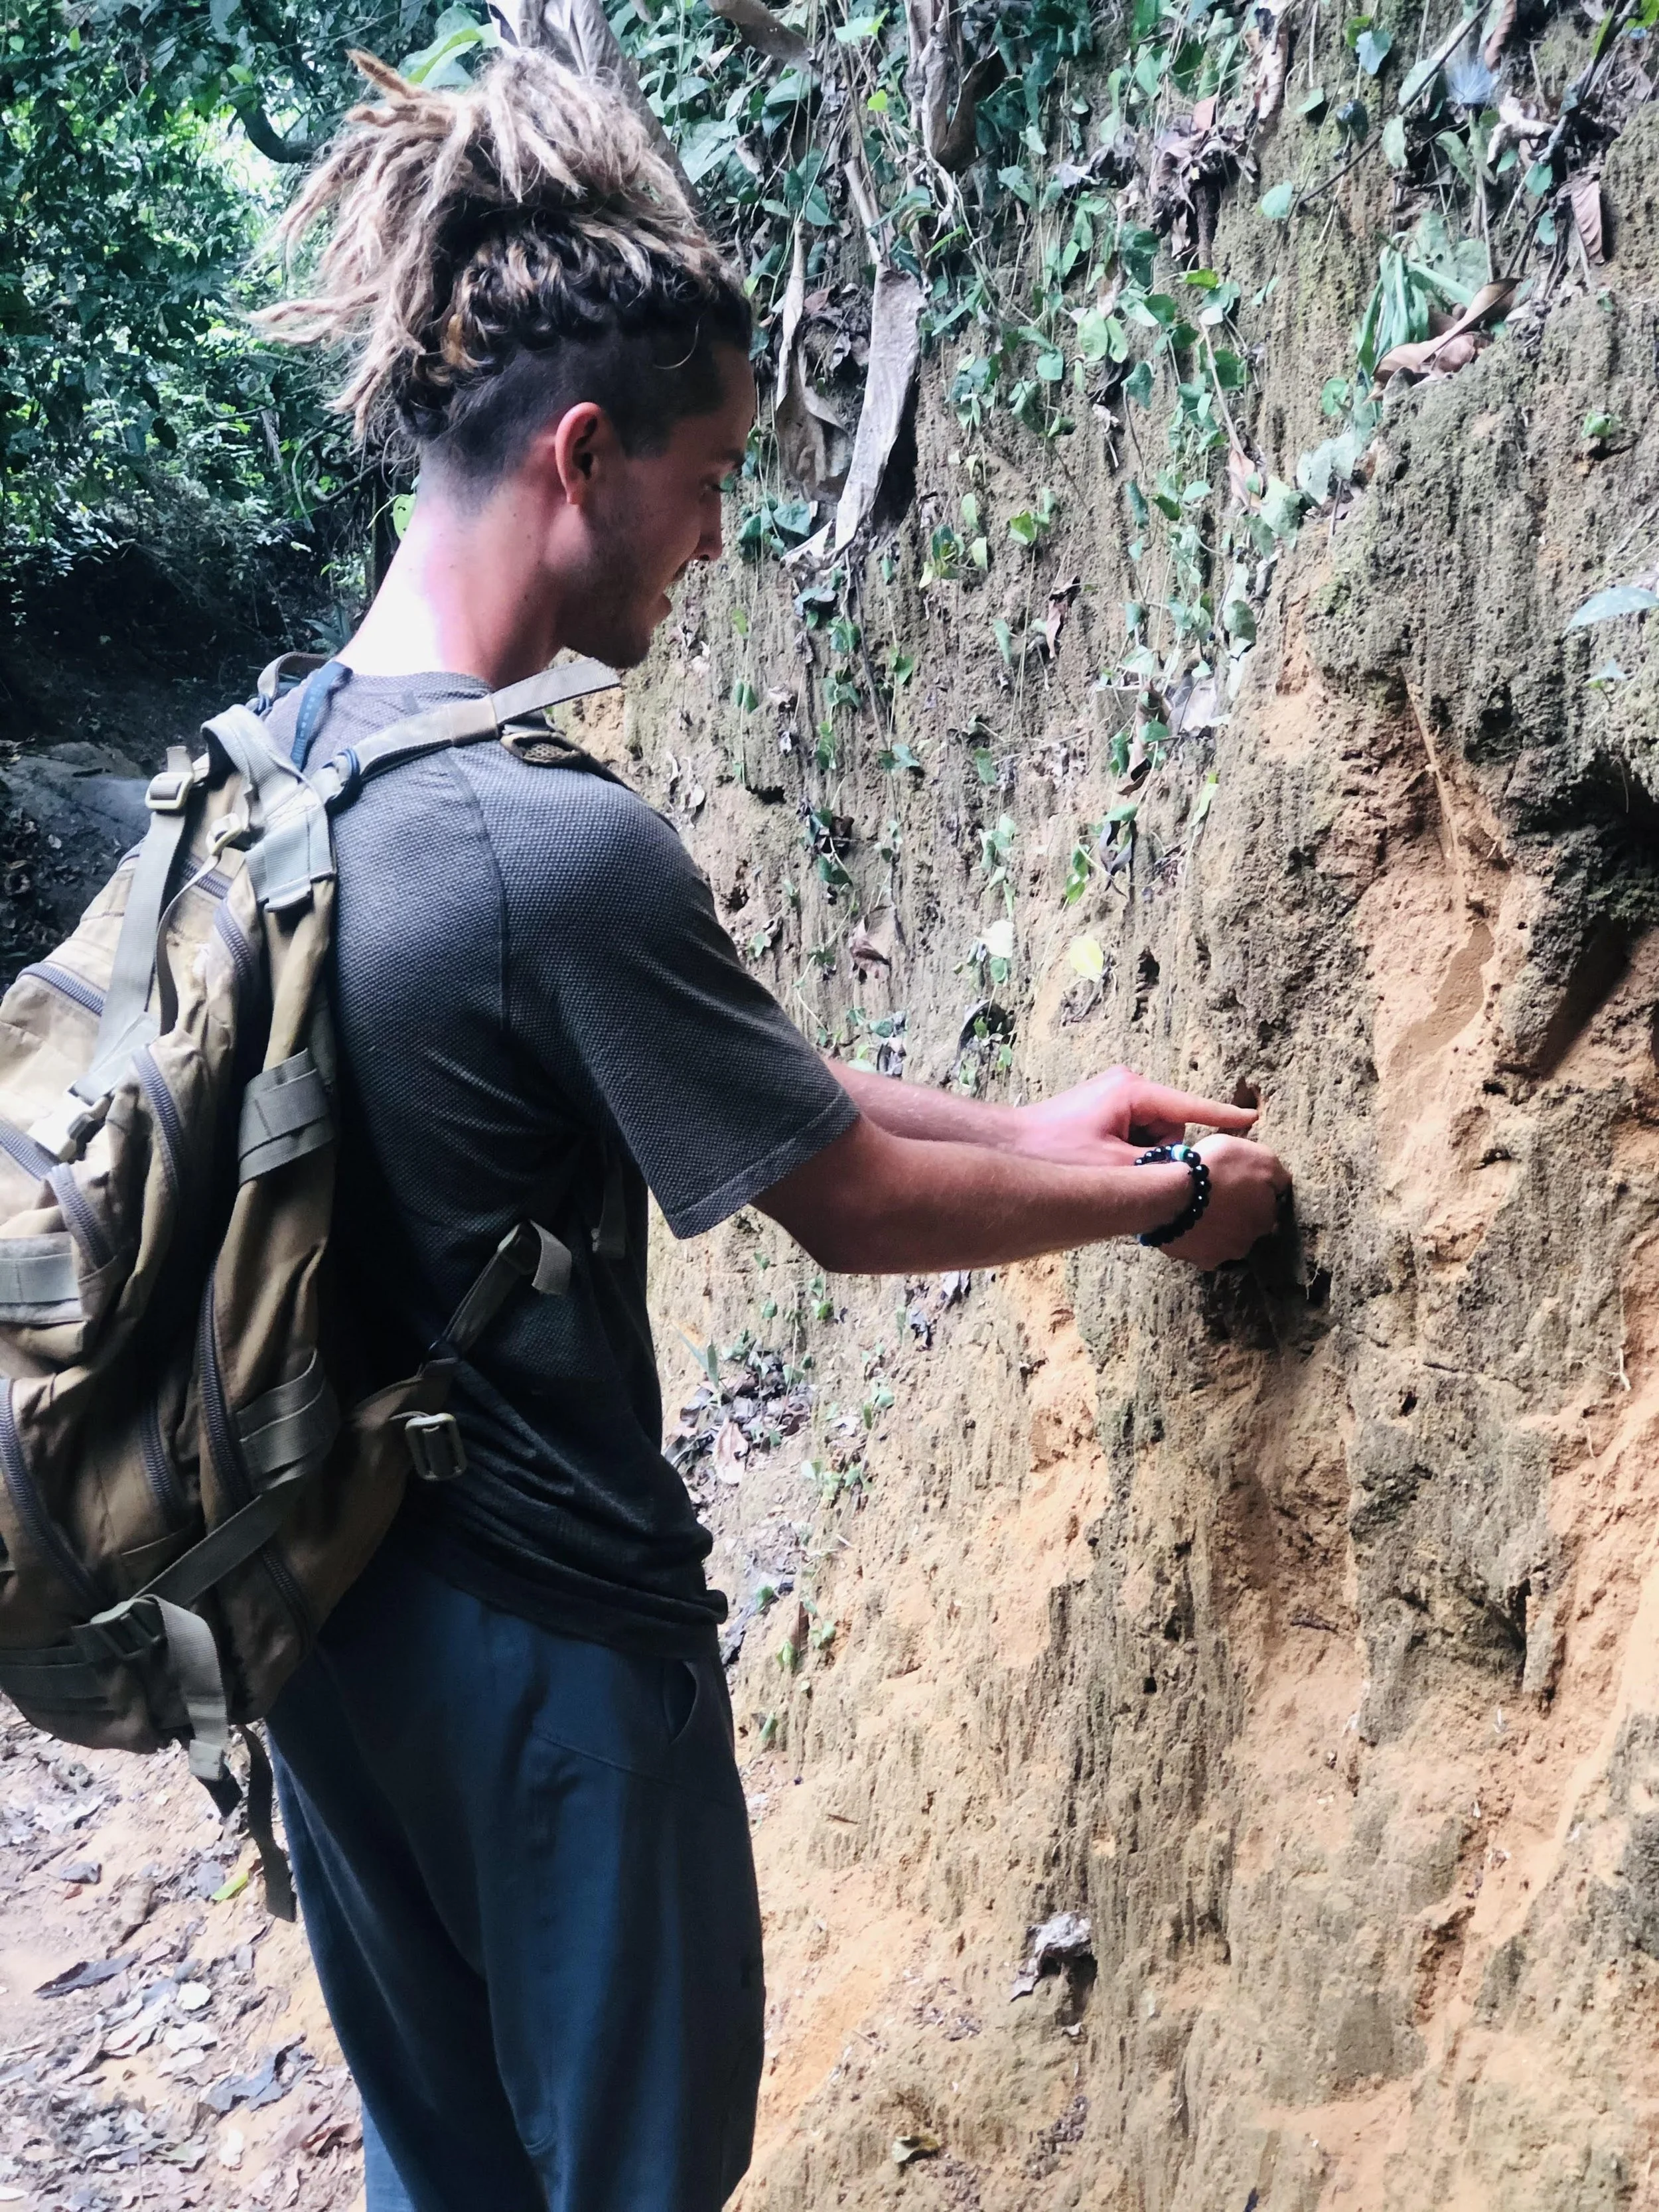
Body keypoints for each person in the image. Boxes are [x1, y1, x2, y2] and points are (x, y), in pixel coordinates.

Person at [251, 46, 1291, 2212]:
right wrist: (1162, 1201)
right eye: (713, 470)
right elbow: (844, 1202)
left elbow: (709, 1075)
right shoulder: (542, 846)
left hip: (323, 1621)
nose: (722, 534)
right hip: (545, 1647)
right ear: (584, 454)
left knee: (450, 2167)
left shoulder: (298, 758)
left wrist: (1034, 1114)